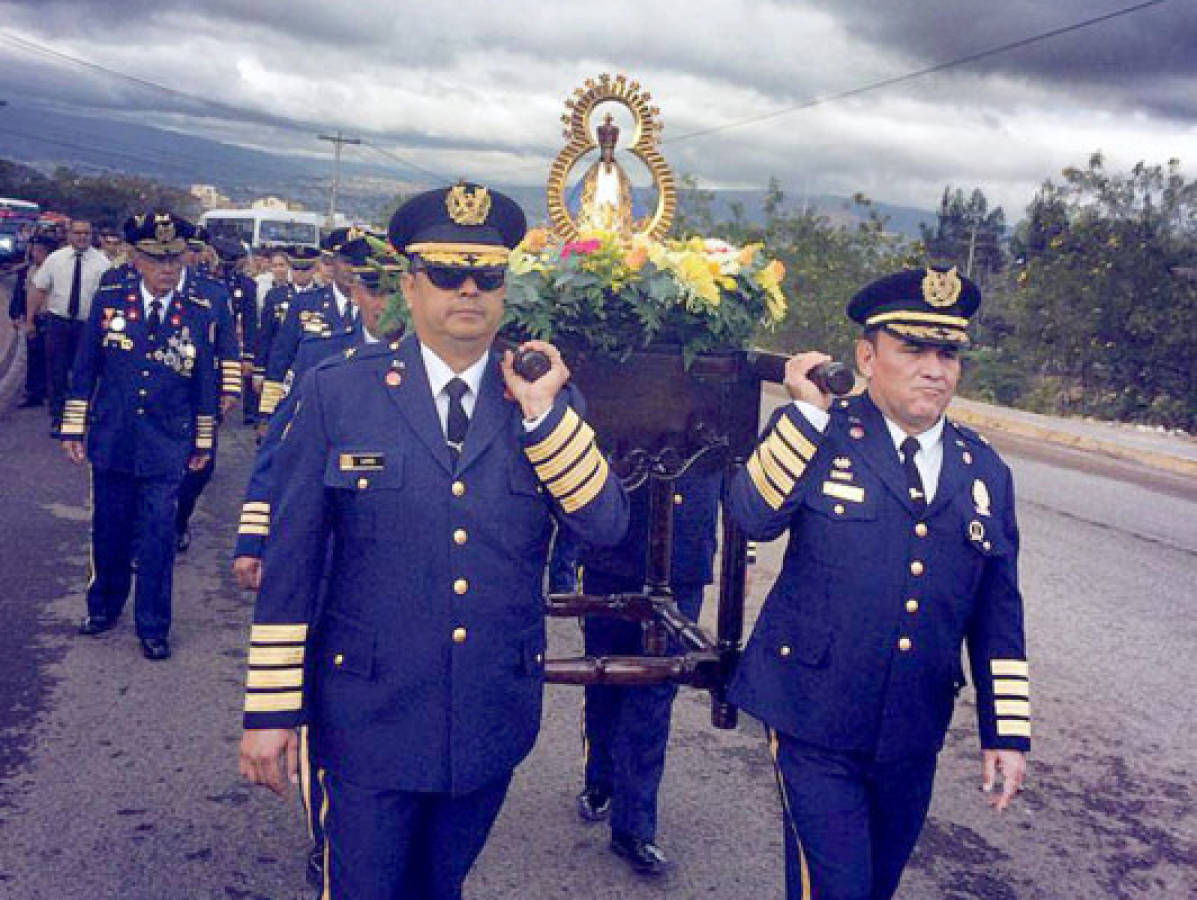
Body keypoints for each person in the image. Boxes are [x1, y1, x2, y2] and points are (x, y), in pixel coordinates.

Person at [239, 183, 629, 899]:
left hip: (487, 714)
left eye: (488, 276)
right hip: (365, 713)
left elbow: (604, 526)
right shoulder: (339, 392)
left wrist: (544, 420)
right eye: (448, 274)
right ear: (410, 285)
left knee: (437, 887)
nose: (469, 291)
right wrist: (270, 711)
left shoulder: (543, 399)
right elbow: (291, 559)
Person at [727, 266, 1030, 899]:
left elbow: (998, 612)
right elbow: (750, 517)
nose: (933, 368)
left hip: (912, 729)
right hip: (812, 715)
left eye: (947, 352)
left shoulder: (984, 471)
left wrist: (1006, 732)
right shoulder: (823, 434)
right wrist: (804, 415)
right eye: (912, 348)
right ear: (867, 356)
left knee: (876, 886)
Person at [232, 240, 400, 889]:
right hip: (324, 557)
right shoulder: (326, 359)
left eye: (395, 287)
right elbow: (279, 454)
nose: (386, 303)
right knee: (322, 707)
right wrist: (254, 537)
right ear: (357, 292)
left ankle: (345, 830)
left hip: (379, 561)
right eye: (375, 289)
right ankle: (327, 830)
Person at [59, 211, 218, 661]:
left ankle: (153, 626)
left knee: (157, 539)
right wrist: (74, 425)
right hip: (113, 440)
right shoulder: (110, 300)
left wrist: (202, 442)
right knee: (108, 532)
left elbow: (204, 384)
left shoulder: (197, 313)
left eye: (175, 260)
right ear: (135, 259)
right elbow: (86, 367)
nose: (168, 269)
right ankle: (104, 608)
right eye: (156, 259)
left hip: (167, 446)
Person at [575, 461, 726, 876]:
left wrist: (741, 555)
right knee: (602, 680)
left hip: (683, 559)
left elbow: (734, 468)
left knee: (656, 691)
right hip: (616, 551)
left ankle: (634, 826)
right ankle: (600, 778)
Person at [257, 229, 365, 422]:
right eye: (347, 262)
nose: (352, 271)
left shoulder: (375, 309)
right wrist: (268, 413)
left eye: (359, 264)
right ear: (332, 264)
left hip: (357, 412)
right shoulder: (305, 303)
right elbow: (282, 357)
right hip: (309, 410)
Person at [29, 218, 112, 435]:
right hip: (58, 322)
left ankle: (78, 419)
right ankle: (58, 418)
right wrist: (29, 320)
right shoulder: (55, 260)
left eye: (86, 233)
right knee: (57, 371)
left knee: (84, 372)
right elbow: (38, 288)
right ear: (69, 235)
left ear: (92, 236)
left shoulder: (103, 263)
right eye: (77, 233)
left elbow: (110, 299)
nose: (82, 237)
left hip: (88, 326)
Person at [9, 234, 59, 408]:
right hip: (32, 318)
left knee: (51, 357)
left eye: (39, 251)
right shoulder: (27, 271)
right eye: (33, 250)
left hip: (50, 316)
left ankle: (50, 391)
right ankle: (33, 392)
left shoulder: (55, 270)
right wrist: (16, 315)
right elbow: (19, 295)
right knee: (31, 357)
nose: (35, 254)